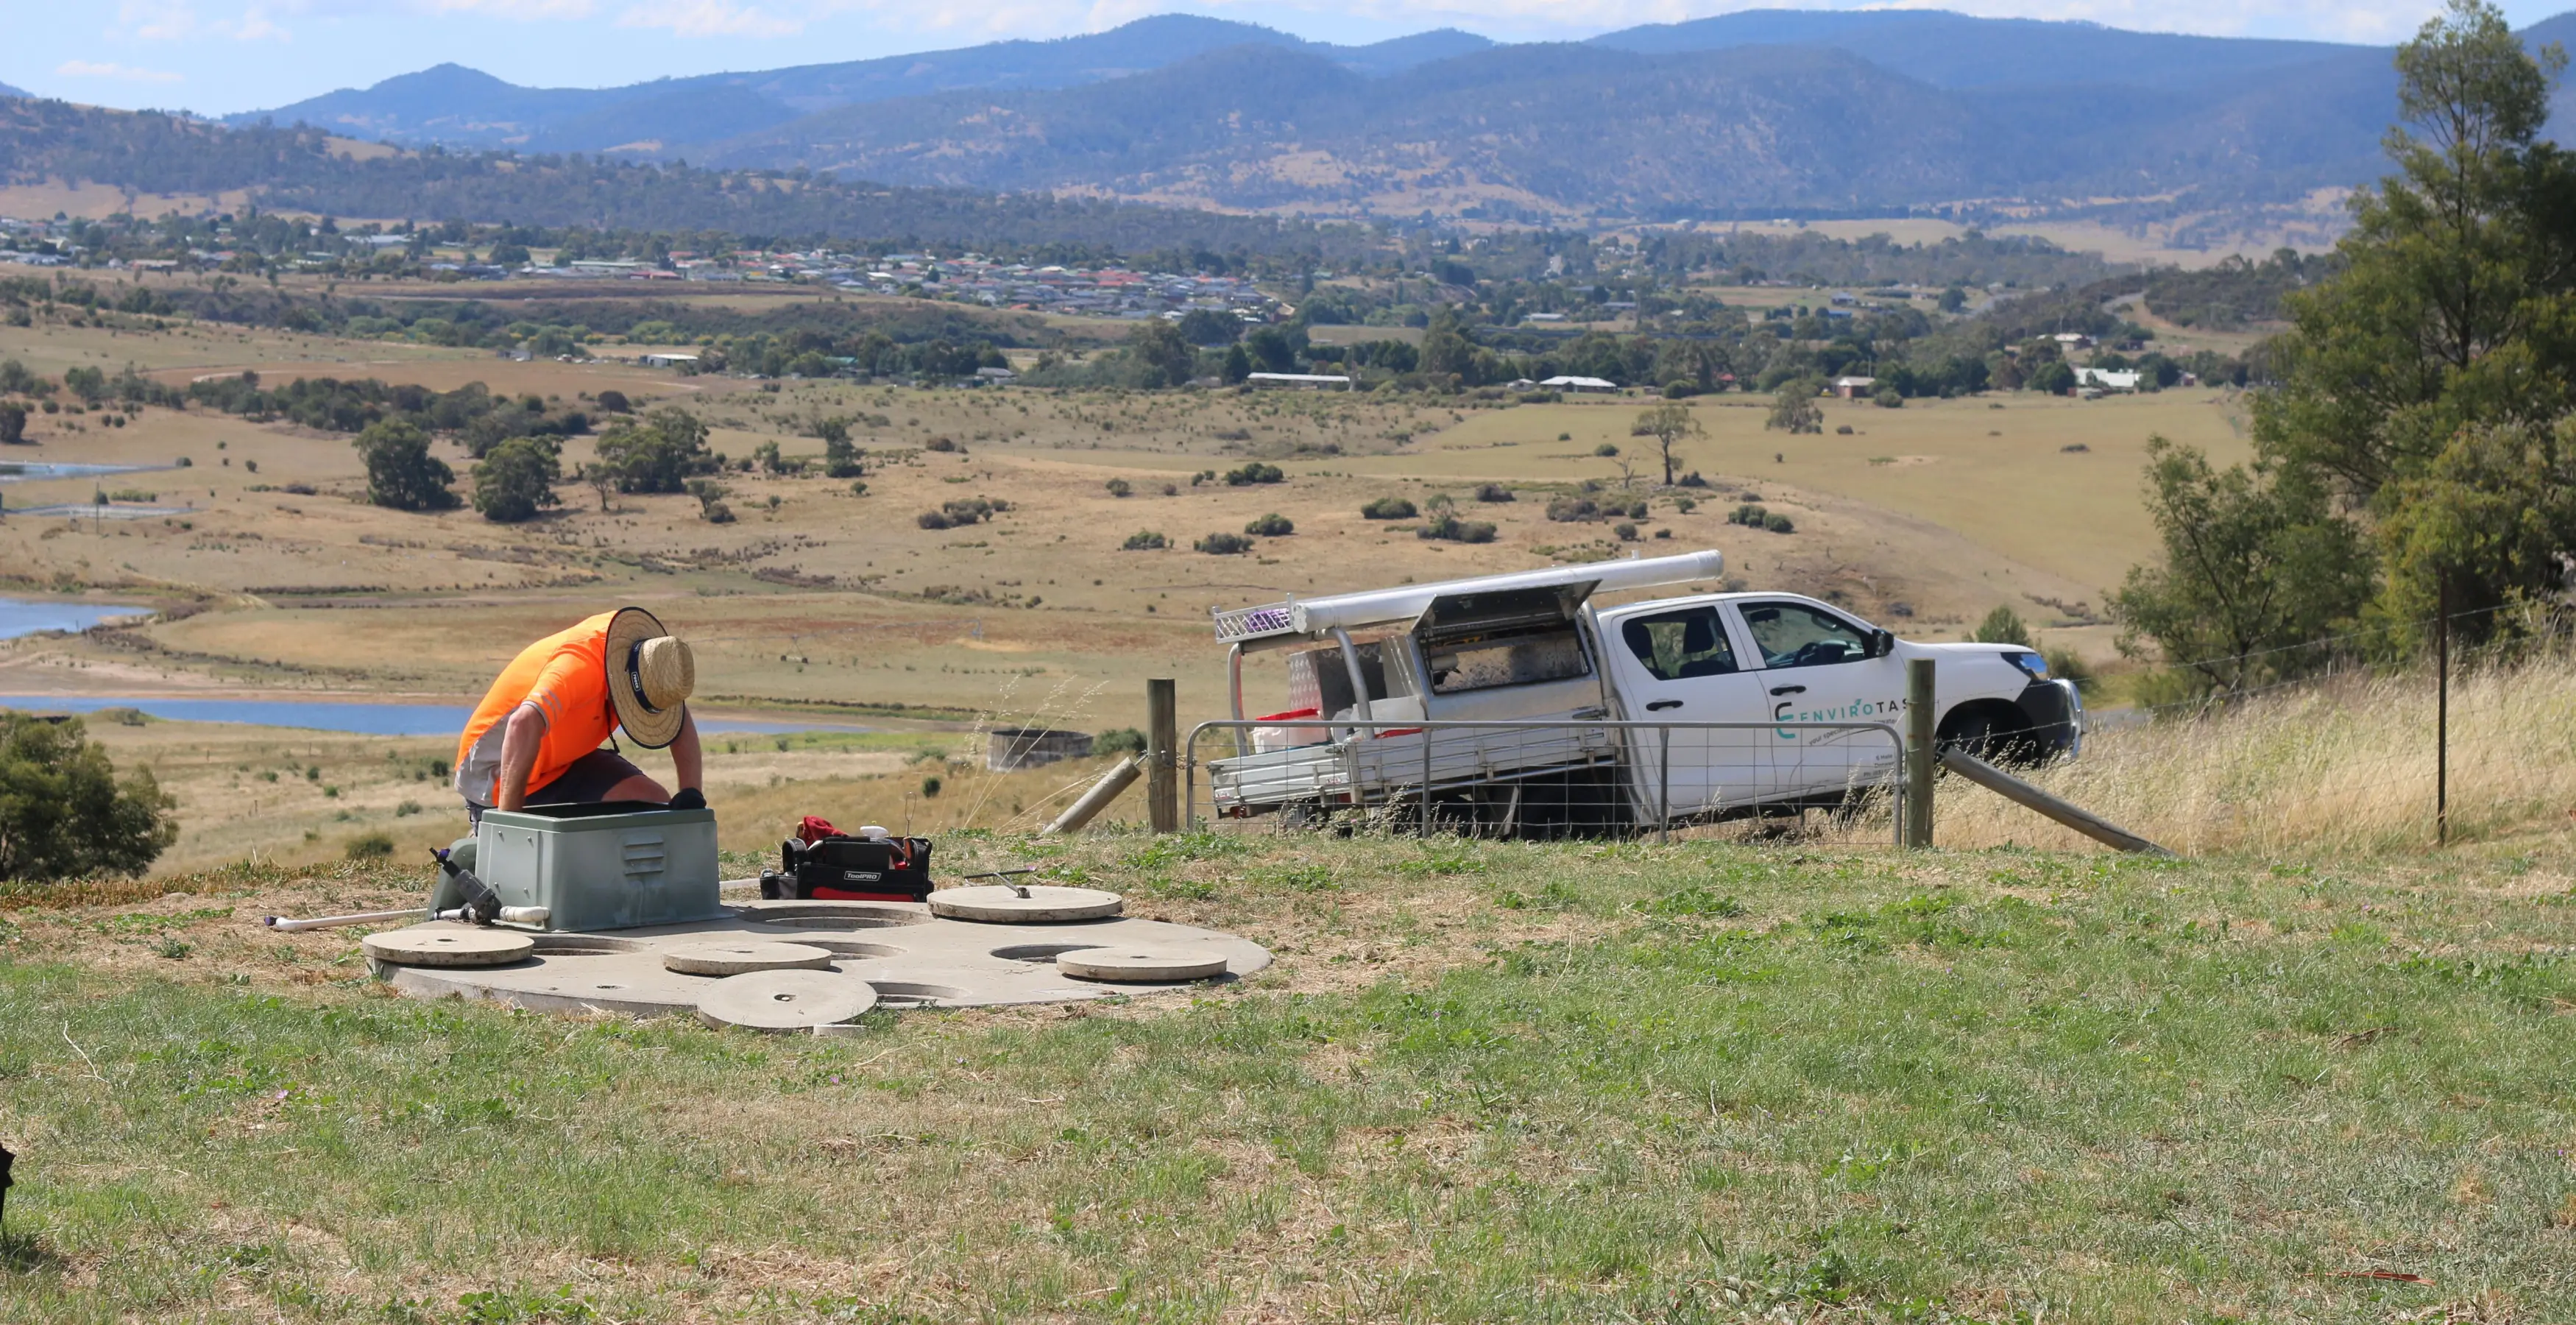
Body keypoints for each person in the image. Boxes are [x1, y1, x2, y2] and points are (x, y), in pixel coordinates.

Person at [451, 606, 704, 824]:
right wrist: (511, 825)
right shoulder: (578, 668)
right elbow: (522, 723)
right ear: (620, 685)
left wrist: (691, 792)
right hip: (498, 770)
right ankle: (482, 834)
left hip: (564, 760)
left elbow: (679, 718)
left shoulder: (650, 661)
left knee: (653, 806)